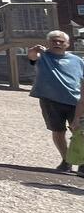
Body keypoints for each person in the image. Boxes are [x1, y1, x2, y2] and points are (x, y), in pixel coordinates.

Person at [27, 31, 84, 173]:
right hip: (50, 100)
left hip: (75, 100)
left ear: (67, 44)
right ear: (48, 43)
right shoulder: (42, 57)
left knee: (79, 131)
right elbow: (32, 57)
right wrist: (34, 50)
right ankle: (66, 161)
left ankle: (82, 162)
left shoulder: (78, 61)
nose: (57, 43)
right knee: (58, 131)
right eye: (54, 41)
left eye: (61, 41)